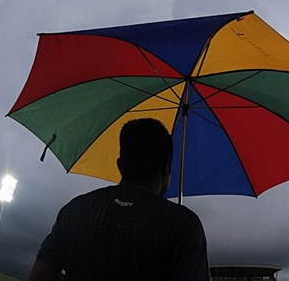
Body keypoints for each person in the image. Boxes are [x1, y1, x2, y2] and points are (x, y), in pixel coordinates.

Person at [29, 118, 210, 281]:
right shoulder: (185, 225)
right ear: (166, 166)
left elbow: (39, 275)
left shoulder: (76, 209)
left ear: (120, 165)